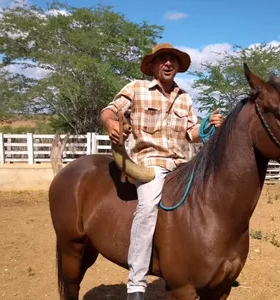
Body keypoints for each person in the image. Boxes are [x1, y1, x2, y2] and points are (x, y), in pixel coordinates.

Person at [100, 43, 223, 300]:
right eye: (163, 60)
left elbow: (190, 134)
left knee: (210, 203)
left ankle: (206, 269)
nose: (168, 63)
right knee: (147, 208)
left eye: (173, 60)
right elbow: (109, 110)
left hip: (181, 165)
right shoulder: (137, 89)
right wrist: (110, 122)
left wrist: (207, 126)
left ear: (177, 67)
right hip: (149, 164)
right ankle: (136, 283)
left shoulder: (185, 97)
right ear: (153, 66)